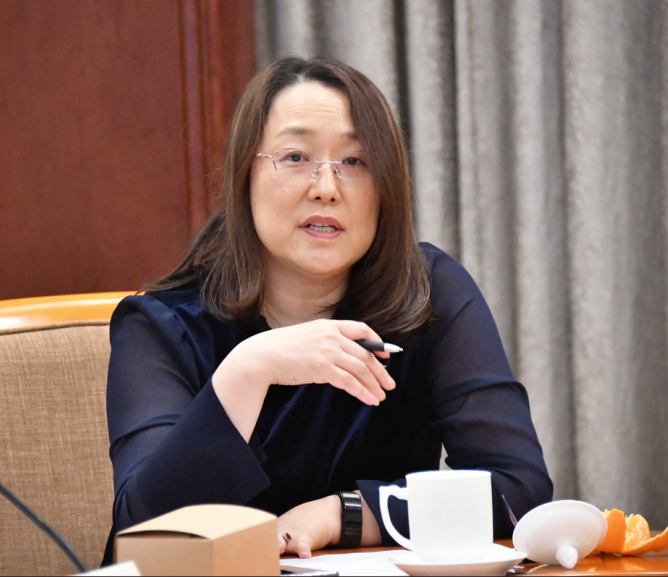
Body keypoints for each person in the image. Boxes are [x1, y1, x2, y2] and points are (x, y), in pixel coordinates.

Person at [104, 57, 552, 562]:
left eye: (355, 162)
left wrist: (346, 514)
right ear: (244, 175)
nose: (326, 187)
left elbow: (519, 490)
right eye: (295, 157)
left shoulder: (427, 295)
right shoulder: (161, 327)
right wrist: (250, 370)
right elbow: (145, 537)